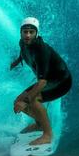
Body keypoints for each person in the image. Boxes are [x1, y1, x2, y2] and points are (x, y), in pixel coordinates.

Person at [9, 16, 72, 147]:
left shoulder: (41, 51)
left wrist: (26, 100)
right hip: (48, 81)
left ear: (36, 33)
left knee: (33, 100)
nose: (27, 35)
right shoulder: (22, 43)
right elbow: (24, 51)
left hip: (61, 82)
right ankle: (39, 124)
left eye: (31, 32)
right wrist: (17, 61)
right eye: (24, 32)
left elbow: (42, 82)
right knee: (17, 102)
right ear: (20, 32)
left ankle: (48, 135)